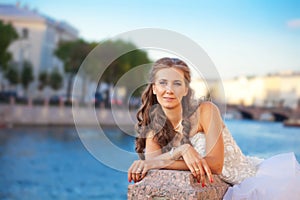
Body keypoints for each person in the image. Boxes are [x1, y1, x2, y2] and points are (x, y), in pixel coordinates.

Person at [127, 57, 300, 199]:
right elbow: (154, 165)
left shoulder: (206, 111)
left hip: (250, 182)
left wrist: (176, 153)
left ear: (186, 89)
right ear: (154, 88)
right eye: (163, 83)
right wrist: (181, 151)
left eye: (177, 83)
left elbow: (216, 165)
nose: (169, 90)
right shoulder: (153, 131)